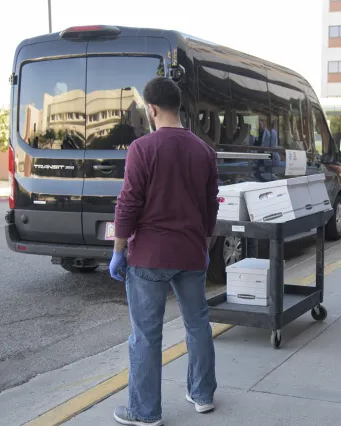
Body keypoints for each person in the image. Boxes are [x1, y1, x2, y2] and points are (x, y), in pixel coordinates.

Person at [109, 76, 219, 426]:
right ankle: (202, 395)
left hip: (150, 258)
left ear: (152, 109)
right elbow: (210, 207)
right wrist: (203, 242)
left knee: (146, 334)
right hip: (190, 253)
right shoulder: (204, 151)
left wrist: (118, 249)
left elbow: (128, 204)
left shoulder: (142, 149)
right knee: (198, 323)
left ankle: (145, 412)